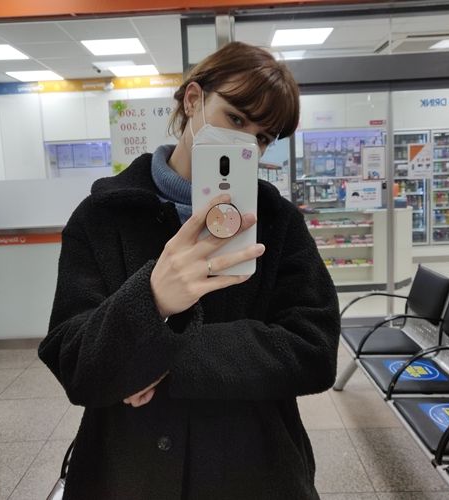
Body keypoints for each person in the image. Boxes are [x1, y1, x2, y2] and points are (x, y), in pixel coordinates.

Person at [38, 41, 340, 500]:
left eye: (262, 137)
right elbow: (73, 362)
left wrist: (167, 360)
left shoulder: (277, 222)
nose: (246, 143)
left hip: (255, 471)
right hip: (126, 473)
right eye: (235, 119)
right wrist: (152, 297)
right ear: (194, 100)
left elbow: (314, 350)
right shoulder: (102, 215)